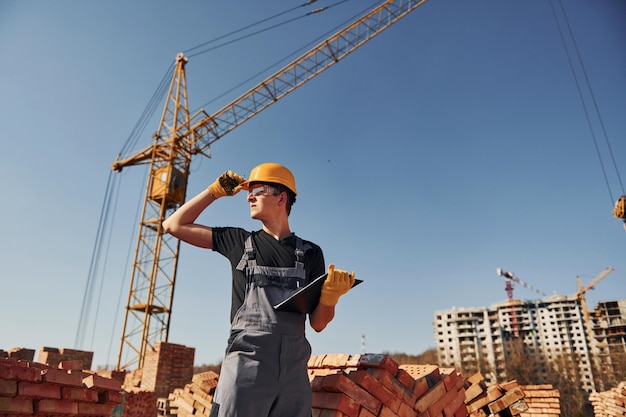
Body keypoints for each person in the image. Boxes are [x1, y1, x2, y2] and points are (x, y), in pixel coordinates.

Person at [162, 162, 356, 417]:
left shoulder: (310, 253)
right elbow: (173, 225)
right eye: (248, 192)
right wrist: (213, 192)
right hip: (245, 369)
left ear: (282, 196)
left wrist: (330, 298)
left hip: (294, 376)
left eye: (259, 190)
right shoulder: (238, 242)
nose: (249, 197)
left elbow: (318, 323)